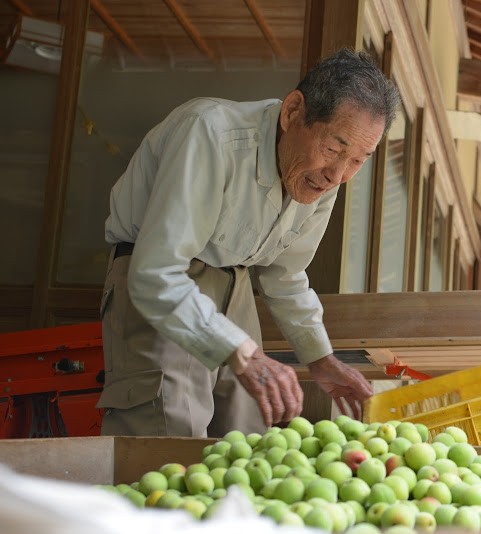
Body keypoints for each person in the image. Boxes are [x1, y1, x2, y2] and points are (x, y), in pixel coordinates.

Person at [98, 48, 401, 438]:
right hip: (163, 284)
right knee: (168, 437)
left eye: (359, 160)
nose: (338, 175)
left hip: (236, 287)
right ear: (293, 111)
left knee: (250, 435)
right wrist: (242, 352)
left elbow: (285, 273)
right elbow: (155, 274)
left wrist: (321, 360)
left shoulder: (321, 179)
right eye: (333, 149)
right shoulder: (209, 132)